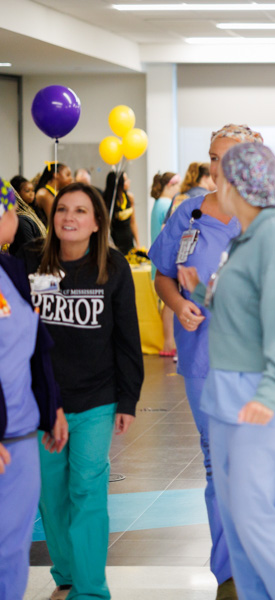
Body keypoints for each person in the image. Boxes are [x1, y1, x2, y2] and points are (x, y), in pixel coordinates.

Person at [150, 123, 275, 600]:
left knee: (256, 480)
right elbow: (164, 276)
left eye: (226, 158)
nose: (215, 168)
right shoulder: (190, 213)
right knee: (217, 469)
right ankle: (230, 575)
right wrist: (182, 302)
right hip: (205, 364)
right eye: (212, 158)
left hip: (262, 371)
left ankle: (271, 574)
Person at [20, 181, 143, 600]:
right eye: (62, 210)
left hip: (96, 398)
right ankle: (68, 571)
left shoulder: (113, 266)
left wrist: (128, 399)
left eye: (79, 211)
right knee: (51, 495)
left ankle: (90, 590)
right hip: (41, 401)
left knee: (87, 487)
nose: (68, 218)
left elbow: (127, 338)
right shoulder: (30, 260)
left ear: (96, 223)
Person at [0, 180, 67, 600]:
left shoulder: (8, 268)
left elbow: (36, 342)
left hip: (23, 431)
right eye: (11, 211)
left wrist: (52, 407)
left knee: (13, 547)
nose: (16, 219)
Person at [149, 172, 181, 357]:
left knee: (166, 303)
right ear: (170, 185)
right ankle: (169, 343)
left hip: (158, 258)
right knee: (169, 303)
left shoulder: (158, 203)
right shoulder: (166, 204)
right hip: (164, 258)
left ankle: (168, 342)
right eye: (177, 186)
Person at [104, 171, 140, 254]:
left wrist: (138, 243)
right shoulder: (108, 201)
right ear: (118, 183)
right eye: (126, 180)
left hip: (128, 240)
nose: (129, 181)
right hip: (114, 242)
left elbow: (133, 222)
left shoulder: (129, 197)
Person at [9, 178, 47, 256]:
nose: (31, 194)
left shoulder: (22, 219)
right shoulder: (23, 217)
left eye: (33, 190)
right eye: (27, 191)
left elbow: (31, 251)